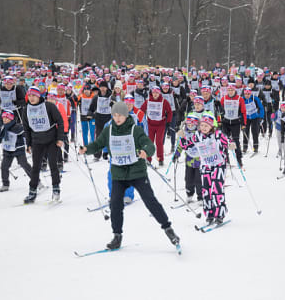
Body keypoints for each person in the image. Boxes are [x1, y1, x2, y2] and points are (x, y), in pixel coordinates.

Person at [79, 102, 180, 250]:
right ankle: (117, 236)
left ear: (126, 115)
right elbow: (98, 144)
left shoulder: (135, 130)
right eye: (114, 115)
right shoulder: (109, 130)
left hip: (136, 172)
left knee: (150, 201)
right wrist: (87, 149)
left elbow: (149, 145)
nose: (117, 118)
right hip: (119, 173)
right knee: (115, 204)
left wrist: (146, 151)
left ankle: (168, 229)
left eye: (120, 115)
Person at [176, 111, 232, 224]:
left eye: (206, 126)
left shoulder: (218, 135)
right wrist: (181, 137)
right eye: (202, 125)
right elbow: (186, 145)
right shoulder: (198, 135)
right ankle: (209, 213)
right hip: (205, 165)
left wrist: (231, 145)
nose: (203, 128)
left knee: (217, 189)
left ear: (212, 126)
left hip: (218, 165)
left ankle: (219, 214)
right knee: (206, 190)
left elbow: (228, 142)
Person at [22, 86, 64, 203]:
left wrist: (60, 138)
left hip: (51, 140)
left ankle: (56, 188)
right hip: (37, 141)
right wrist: (28, 143)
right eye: (29, 96)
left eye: (34, 95)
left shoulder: (49, 106)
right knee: (36, 167)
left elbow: (59, 121)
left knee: (52, 165)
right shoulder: (26, 109)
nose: (32, 98)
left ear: (39, 95)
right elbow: (26, 128)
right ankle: (32, 191)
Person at [0, 110, 32, 192]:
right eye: (3, 118)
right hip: (7, 150)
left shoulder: (18, 127)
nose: (4, 120)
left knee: (24, 164)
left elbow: (26, 135)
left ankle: (36, 181)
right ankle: (5, 184)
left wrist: (29, 144)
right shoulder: (3, 128)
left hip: (18, 149)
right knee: (4, 166)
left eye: (7, 118)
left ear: (11, 118)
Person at [140, 86, 172, 166]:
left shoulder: (164, 101)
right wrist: (140, 120)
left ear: (159, 93)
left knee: (159, 142)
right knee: (149, 142)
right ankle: (148, 159)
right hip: (150, 125)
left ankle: (160, 159)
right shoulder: (148, 101)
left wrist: (168, 122)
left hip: (160, 125)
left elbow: (169, 112)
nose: (155, 94)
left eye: (157, 93)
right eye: (153, 93)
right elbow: (141, 111)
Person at [174, 113, 202, 203]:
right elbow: (180, 145)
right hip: (189, 161)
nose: (190, 127)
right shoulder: (184, 134)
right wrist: (177, 154)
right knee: (188, 178)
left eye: (192, 125)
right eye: (188, 125)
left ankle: (200, 196)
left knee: (199, 179)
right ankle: (189, 194)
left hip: (199, 161)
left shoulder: (200, 134)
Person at [221, 83, 246, 167]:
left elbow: (243, 111)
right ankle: (226, 160)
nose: (230, 92)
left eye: (232, 90)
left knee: (236, 141)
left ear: (235, 90)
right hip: (226, 122)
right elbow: (220, 110)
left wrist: (244, 123)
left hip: (235, 122)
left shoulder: (240, 99)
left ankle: (239, 160)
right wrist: (220, 120)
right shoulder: (223, 98)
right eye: (229, 90)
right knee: (224, 141)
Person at [88, 81, 115, 161]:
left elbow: (116, 107)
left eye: (104, 87)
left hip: (108, 119)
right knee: (98, 138)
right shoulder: (96, 97)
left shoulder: (111, 97)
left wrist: (113, 104)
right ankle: (97, 155)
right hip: (99, 119)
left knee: (109, 137)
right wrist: (90, 114)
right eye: (101, 87)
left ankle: (109, 153)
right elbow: (91, 108)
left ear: (107, 88)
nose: (102, 89)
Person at [242, 88, 264, 153]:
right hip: (246, 118)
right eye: (245, 94)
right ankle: (245, 147)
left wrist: (261, 117)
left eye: (248, 94)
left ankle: (256, 147)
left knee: (255, 132)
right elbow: (240, 109)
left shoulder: (255, 99)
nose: (247, 95)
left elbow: (261, 108)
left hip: (255, 117)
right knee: (246, 132)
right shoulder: (242, 99)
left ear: (250, 93)